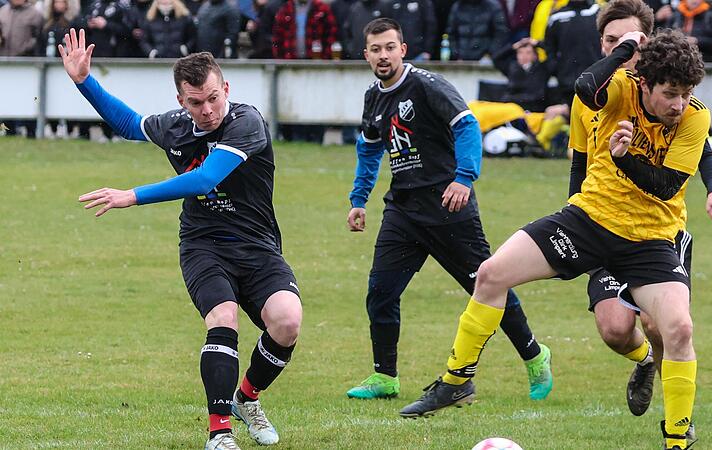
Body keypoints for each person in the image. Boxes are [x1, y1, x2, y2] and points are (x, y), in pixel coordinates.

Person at [402, 28, 707, 450]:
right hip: (589, 221)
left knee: (679, 330)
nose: (679, 104)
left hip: (650, 240)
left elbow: (665, 186)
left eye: (686, 93)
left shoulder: (695, 116)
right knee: (491, 274)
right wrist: (625, 49)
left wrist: (625, 158)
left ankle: (677, 440)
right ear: (645, 82)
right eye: (670, 93)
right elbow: (584, 86)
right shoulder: (622, 87)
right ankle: (457, 381)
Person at [59, 29, 302, 450]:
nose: (207, 110)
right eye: (195, 102)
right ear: (181, 102)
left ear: (225, 88)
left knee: (287, 321)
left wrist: (130, 196)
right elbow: (130, 124)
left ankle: (247, 399)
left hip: (256, 243)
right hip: (203, 244)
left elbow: (206, 178)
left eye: (213, 97)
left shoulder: (247, 122)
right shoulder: (176, 126)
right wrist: (84, 81)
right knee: (222, 317)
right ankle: (220, 432)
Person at [346, 18, 552, 402]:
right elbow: (370, 149)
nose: (383, 56)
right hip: (403, 211)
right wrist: (359, 200)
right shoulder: (374, 96)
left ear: (402, 49)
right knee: (380, 293)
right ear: (366, 55)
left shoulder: (427, 85)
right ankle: (385, 377)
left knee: (488, 285)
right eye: (375, 49)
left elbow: (467, 126)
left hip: (448, 206)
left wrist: (464, 177)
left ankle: (535, 355)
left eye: (390, 47)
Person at [568, 0, 712, 428]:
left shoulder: (670, 95)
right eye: (612, 40)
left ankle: (676, 417)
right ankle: (643, 363)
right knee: (614, 329)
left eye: (634, 41)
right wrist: (575, 214)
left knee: (664, 327)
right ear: (603, 42)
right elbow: (580, 161)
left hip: (658, 232)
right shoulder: (599, 92)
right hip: (603, 223)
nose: (624, 49)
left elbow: (704, 153)